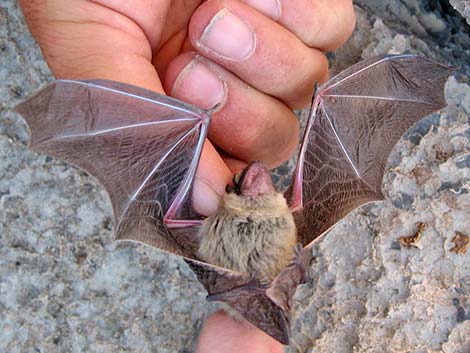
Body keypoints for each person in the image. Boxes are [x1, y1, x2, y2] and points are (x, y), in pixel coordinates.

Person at [19, 1, 356, 351]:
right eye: (261, 185)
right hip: (260, 269)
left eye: (245, 183)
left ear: (234, 192)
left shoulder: (211, 212)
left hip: (237, 267)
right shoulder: (289, 212)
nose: (257, 174)